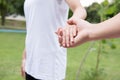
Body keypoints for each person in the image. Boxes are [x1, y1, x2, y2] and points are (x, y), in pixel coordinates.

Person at [21, 0, 87, 80]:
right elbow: (33, 29)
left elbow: (80, 9)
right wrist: (25, 57)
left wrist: (71, 23)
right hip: (31, 65)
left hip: (49, 67)